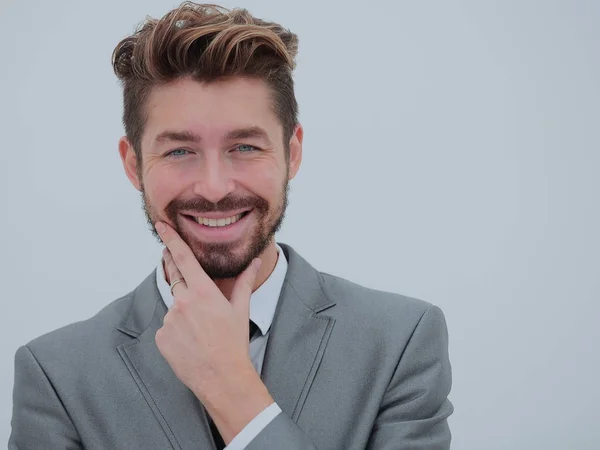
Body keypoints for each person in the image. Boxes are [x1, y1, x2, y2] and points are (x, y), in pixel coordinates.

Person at [9, 2, 453, 449]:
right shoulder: (55, 376)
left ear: (292, 153)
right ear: (133, 164)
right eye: (180, 151)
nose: (216, 188)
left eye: (244, 146)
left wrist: (233, 392)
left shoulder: (400, 342)